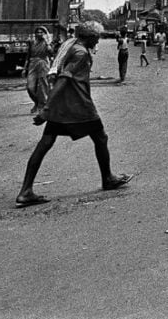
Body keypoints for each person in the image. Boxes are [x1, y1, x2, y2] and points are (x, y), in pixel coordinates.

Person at [15, 21, 130, 208]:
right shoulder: (80, 53)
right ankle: (107, 178)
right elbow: (64, 79)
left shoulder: (72, 45)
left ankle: (26, 190)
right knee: (100, 137)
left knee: (45, 143)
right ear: (91, 37)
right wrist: (46, 109)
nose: (98, 40)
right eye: (97, 37)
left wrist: (51, 108)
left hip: (62, 106)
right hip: (78, 104)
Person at [23, 27, 53, 114]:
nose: (39, 34)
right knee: (30, 87)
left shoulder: (47, 43)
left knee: (43, 86)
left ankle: (43, 105)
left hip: (43, 63)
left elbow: (51, 53)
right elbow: (28, 56)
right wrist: (25, 68)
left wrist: (48, 43)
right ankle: (37, 102)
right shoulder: (32, 43)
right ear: (35, 34)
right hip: (33, 64)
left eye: (41, 32)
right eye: (38, 32)